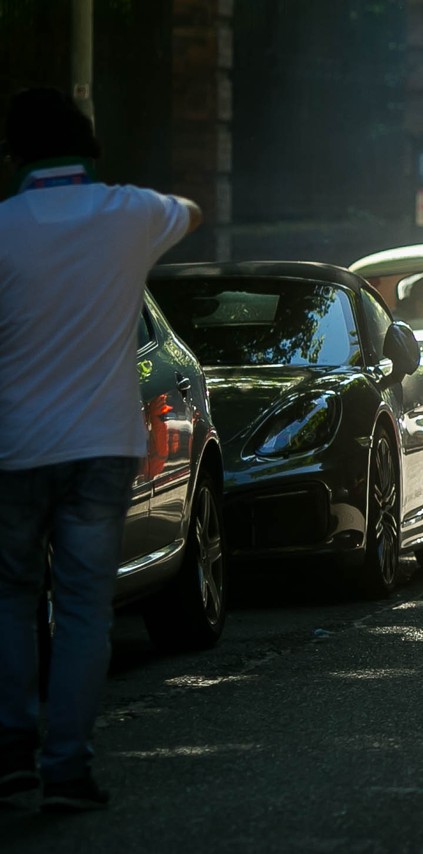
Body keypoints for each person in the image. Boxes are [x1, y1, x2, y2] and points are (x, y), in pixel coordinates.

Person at [0, 87, 201, 812]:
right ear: (88, 153)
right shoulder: (129, 213)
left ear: (15, 156)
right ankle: (67, 771)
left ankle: (11, 749)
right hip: (103, 447)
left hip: (15, 448)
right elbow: (194, 211)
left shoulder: (4, 227)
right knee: (86, 608)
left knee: (13, 597)